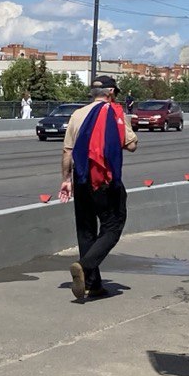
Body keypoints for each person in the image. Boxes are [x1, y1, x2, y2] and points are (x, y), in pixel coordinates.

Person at [59, 75, 138, 301]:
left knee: (86, 230)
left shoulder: (77, 115)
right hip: (105, 180)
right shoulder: (115, 113)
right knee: (113, 225)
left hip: (81, 178)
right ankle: (84, 266)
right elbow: (131, 145)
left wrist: (66, 180)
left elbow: (67, 151)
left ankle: (93, 285)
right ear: (111, 92)